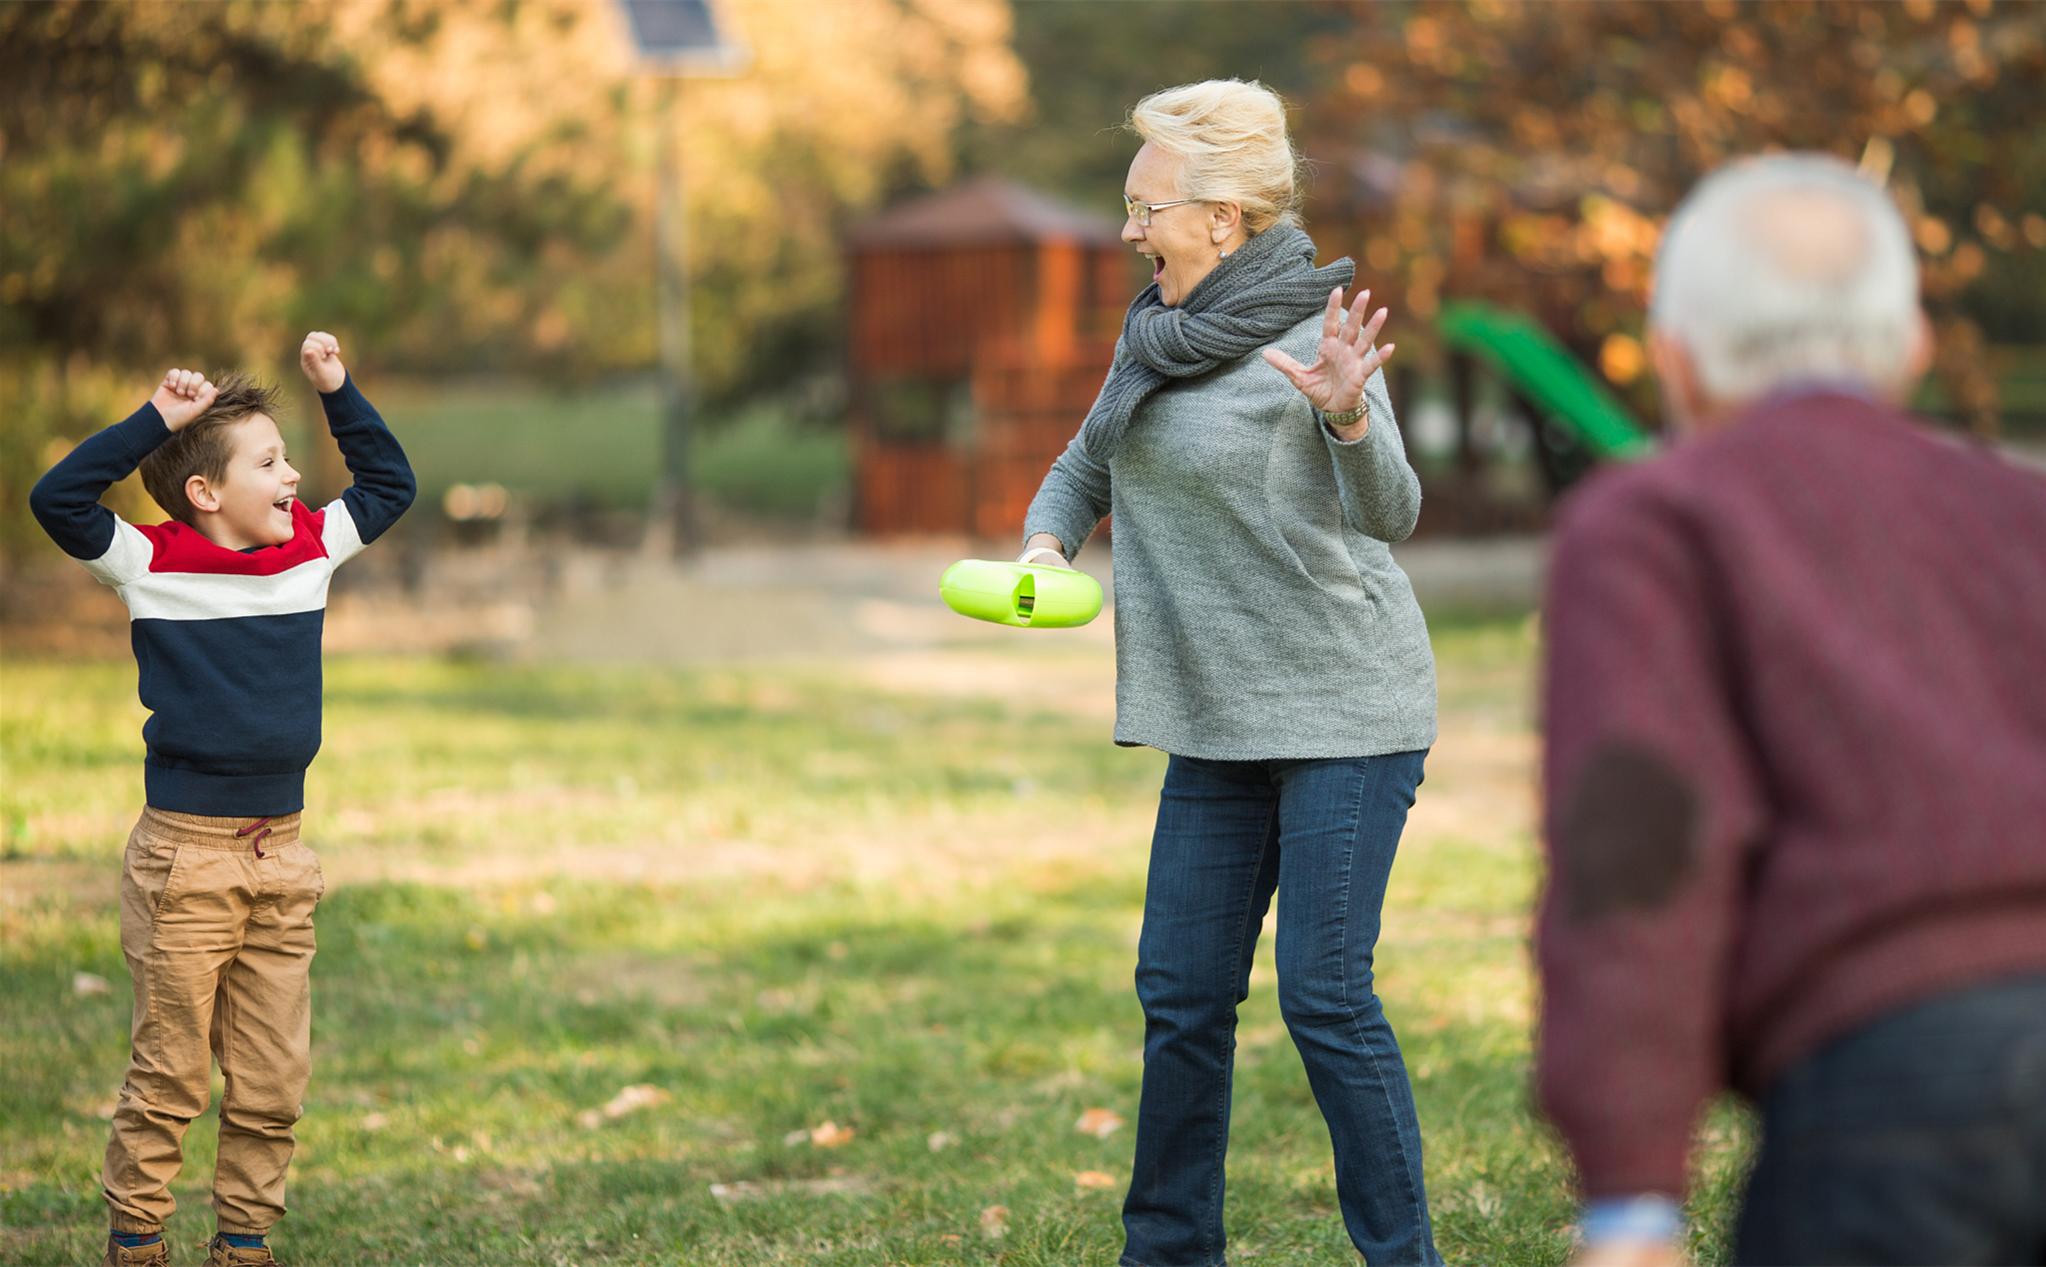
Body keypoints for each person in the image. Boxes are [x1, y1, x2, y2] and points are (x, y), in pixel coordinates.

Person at [1536, 153, 2046, 1266]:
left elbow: (1640, 846)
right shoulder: (2024, 510)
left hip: (1896, 1098)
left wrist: (1631, 1194)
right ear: (1912, 348)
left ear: (1675, 364)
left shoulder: (1658, 519)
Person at [1020, 79, 1442, 1266]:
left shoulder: (1317, 335)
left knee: (1323, 993)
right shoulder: (1151, 335)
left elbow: (1395, 515)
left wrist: (1349, 419)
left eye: (1144, 205)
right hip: (1215, 725)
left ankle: (1403, 1256)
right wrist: (1047, 539)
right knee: (1182, 996)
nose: (1128, 229)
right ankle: (1167, 1252)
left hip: (1344, 714)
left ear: (1221, 217)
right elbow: (1085, 456)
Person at [29, 334, 417, 1267]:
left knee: (274, 1076)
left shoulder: (310, 549)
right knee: (170, 1074)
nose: (294, 478)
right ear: (205, 491)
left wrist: (337, 389)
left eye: (290, 459)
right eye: (271, 462)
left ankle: (244, 1245)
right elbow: (58, 498)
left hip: (282, 854)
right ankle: (138, 1243)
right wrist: (156, 423)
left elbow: (392, 485)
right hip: (185, 858)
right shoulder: (146, 562)